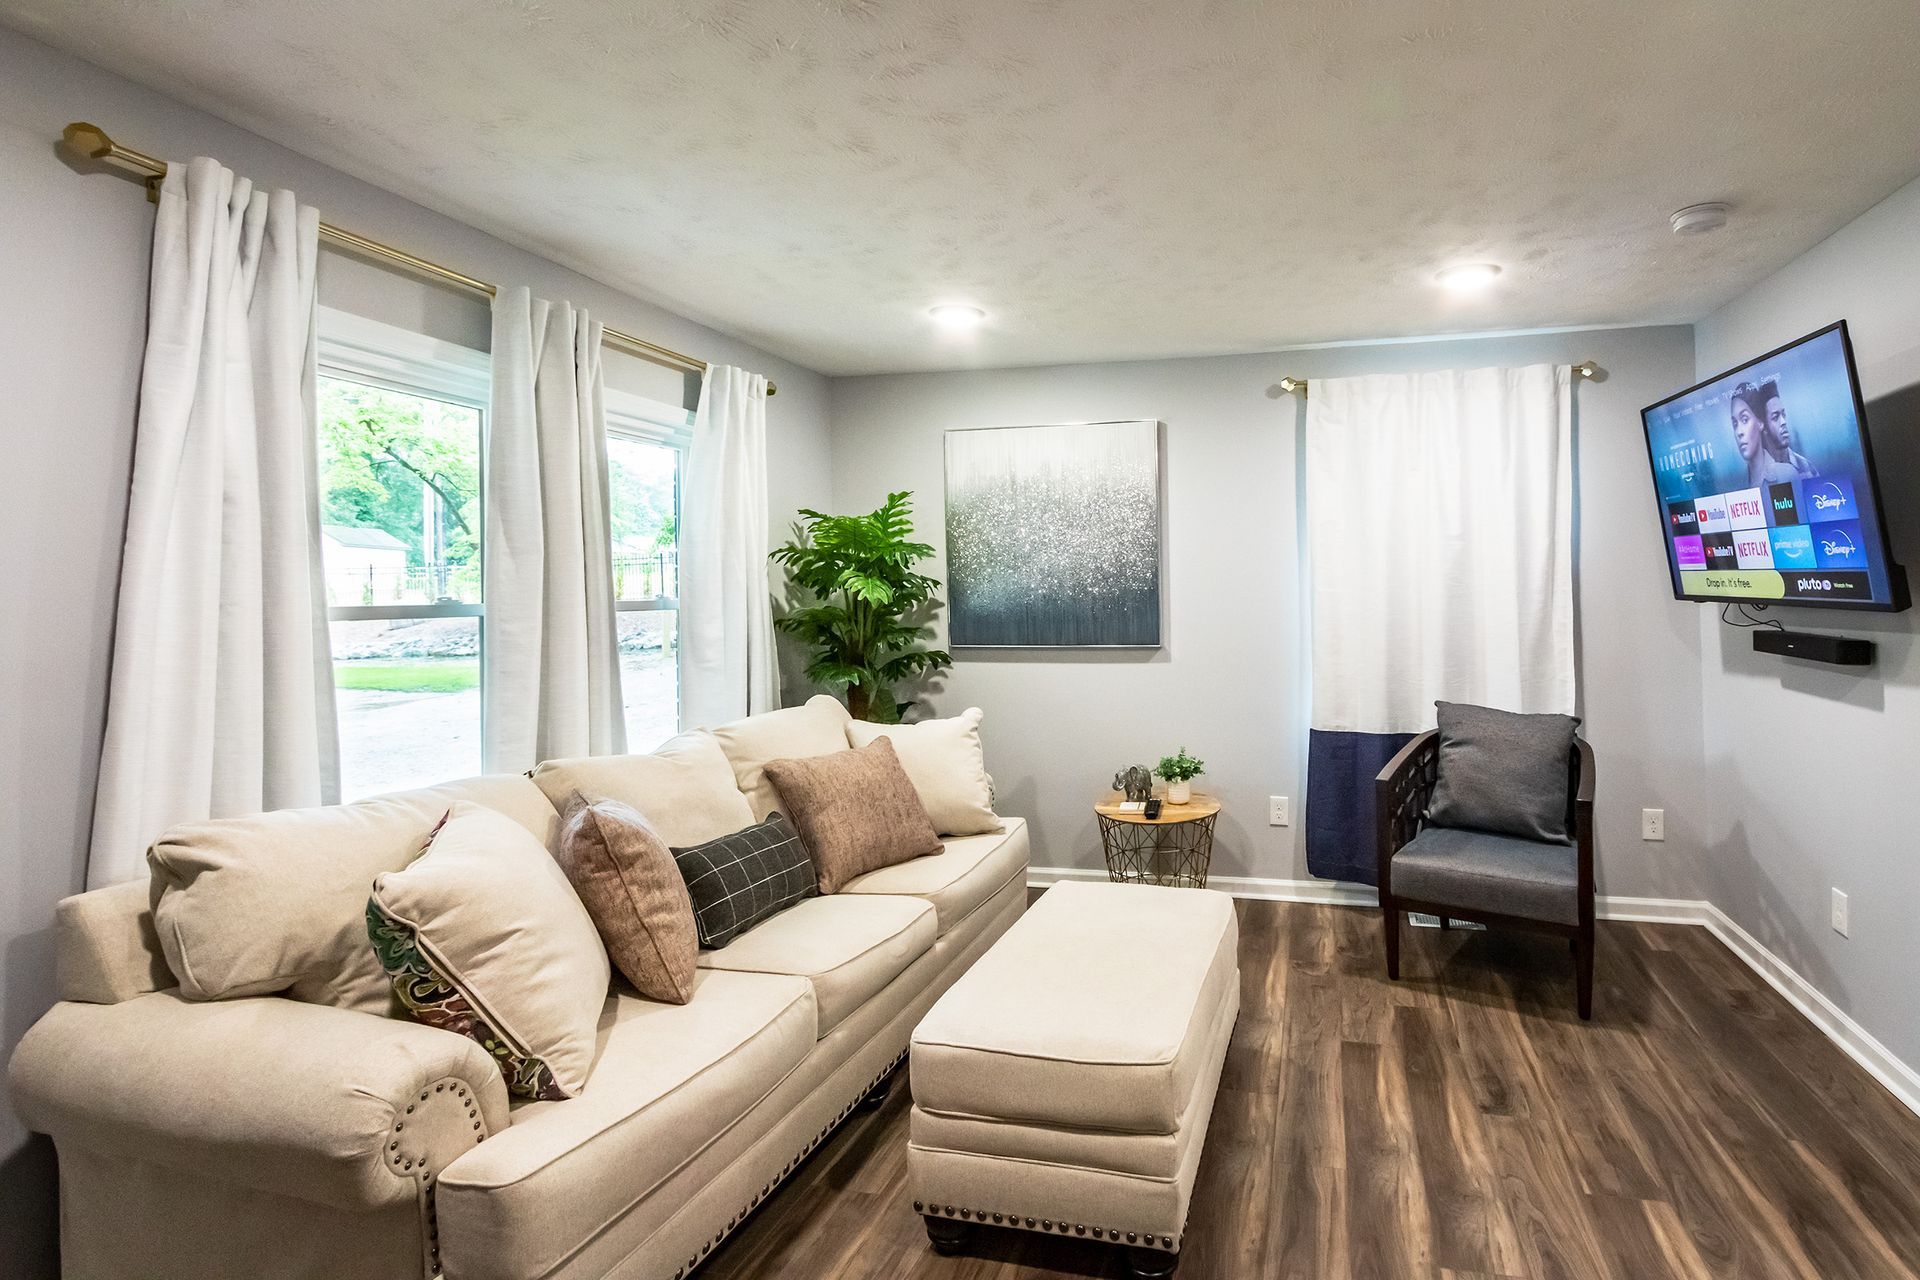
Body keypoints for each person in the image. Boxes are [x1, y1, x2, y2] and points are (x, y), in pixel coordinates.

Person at [1730, 382, 1799, 486]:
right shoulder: (1737, 486)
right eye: (1735, 424)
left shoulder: (1786, 475)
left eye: (1744, 419)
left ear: (1760, 422)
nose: (1739, 432)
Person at [1757, 379, 1817, 478]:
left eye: (1783, 414)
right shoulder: (1758, 475)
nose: (1783, 422)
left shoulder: (1807, 467)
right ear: (1764, 426)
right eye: (1775, 417)